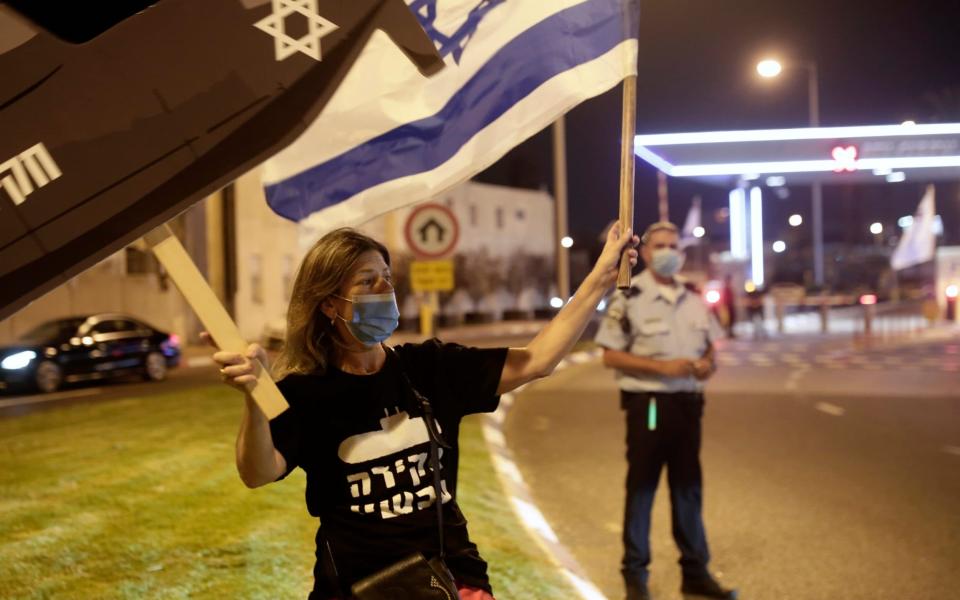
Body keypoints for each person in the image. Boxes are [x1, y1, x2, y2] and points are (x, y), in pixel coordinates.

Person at [211, 224, 638, 599]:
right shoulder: (304, 395)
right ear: (329, 303)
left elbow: (536, 360)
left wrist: (600, 277)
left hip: (451, 578)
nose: (385, 291)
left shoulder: (429, 369)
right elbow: (258, 472)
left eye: (387, 279)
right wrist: (254, 399)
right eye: (367, 282)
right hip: (357, 587)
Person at [595, 221, 737, 600]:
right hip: (650, 406)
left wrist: (708, 364)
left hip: (688, 405)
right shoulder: (628, 297)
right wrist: (663, 368)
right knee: (642, 490)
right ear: (644, 252)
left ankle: (695, 573)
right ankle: (636, 578)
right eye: (659, 245)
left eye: (674, 245)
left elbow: (710, 346)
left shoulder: (692, 299)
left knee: (688, 491)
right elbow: (609, 354)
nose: (668, 251)